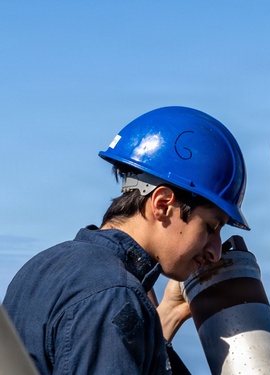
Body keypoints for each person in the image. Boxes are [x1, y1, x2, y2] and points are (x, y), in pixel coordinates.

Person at [3, 106, 250, 374]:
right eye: (211, 227)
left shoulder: (44, 268)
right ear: (163, 204)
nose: (215, 251)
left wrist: (171, 310)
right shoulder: (113, 296)